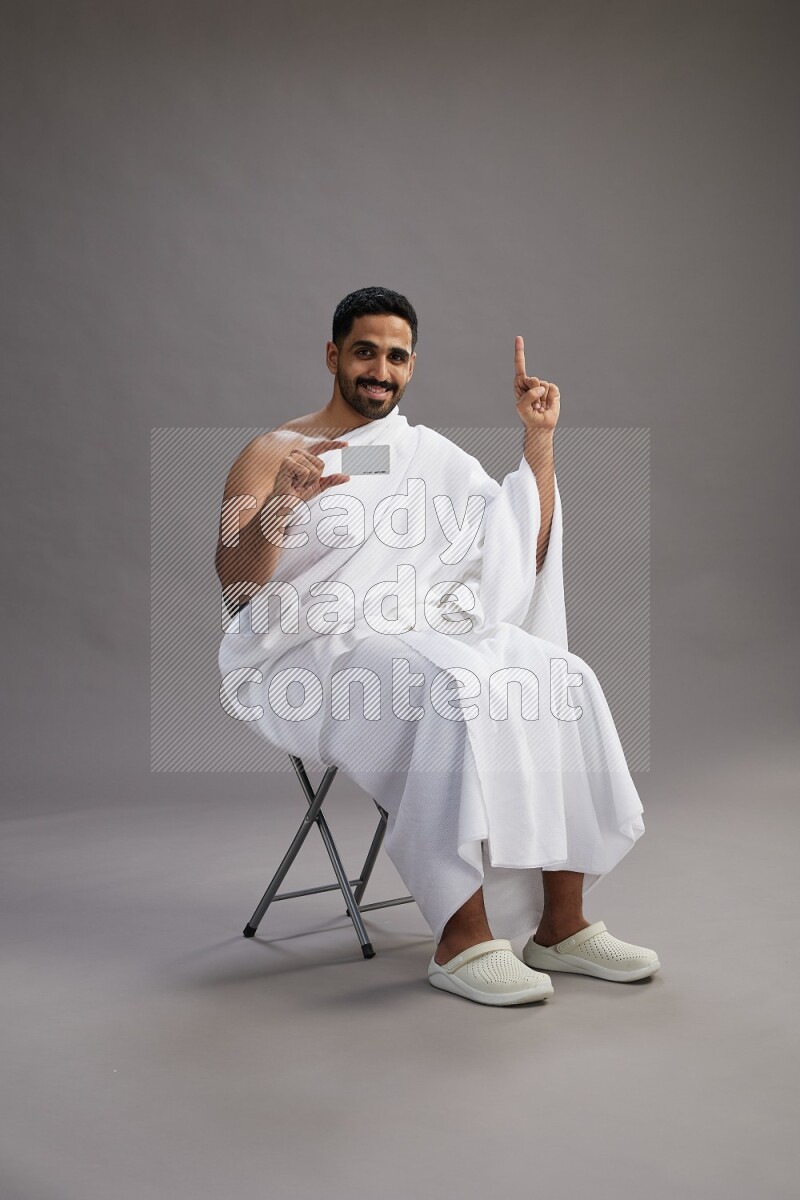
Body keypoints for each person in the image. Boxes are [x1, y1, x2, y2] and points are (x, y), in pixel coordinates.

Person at [215, 286, 660, 1007]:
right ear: (334, 355)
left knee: (560, 675)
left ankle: (562, 925)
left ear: (411, 367)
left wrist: (538, 442)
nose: (379, 370)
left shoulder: (429, 456)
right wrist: (279, 508)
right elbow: (236, 589)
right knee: (452, 685)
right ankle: (461, 937)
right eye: (365, 352)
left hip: (417, 629)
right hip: (307, 649)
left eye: (396, 357)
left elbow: (522, 546)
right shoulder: (271, 452)